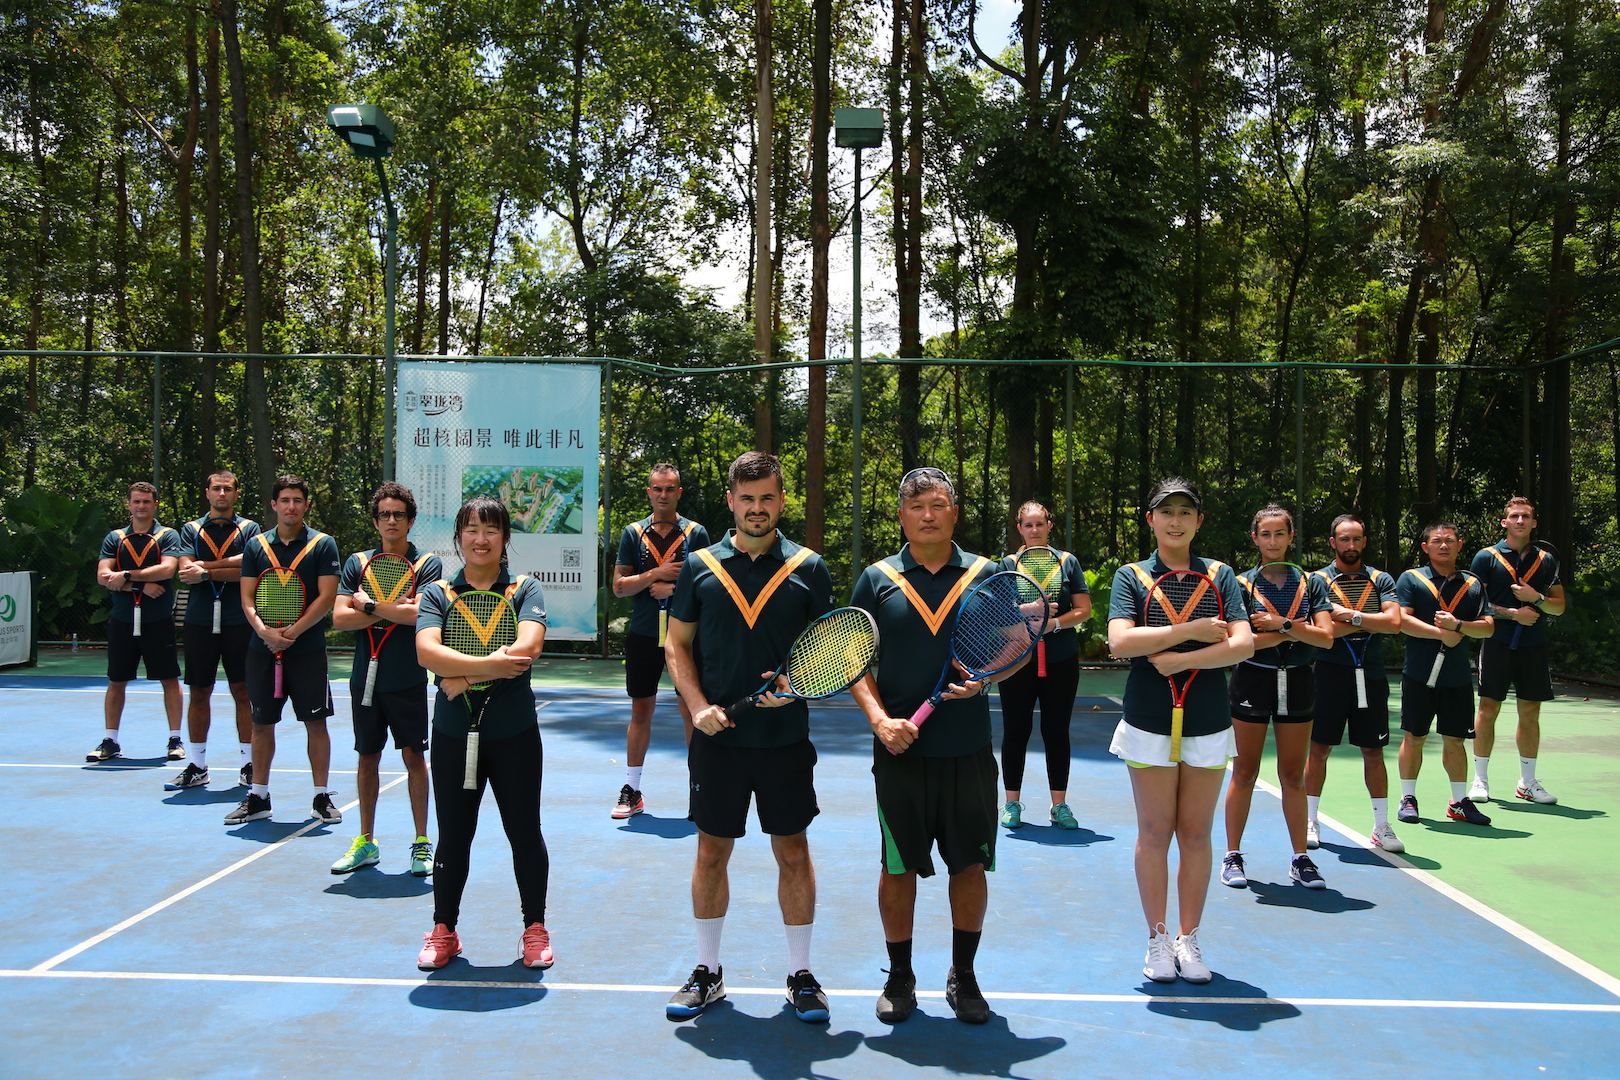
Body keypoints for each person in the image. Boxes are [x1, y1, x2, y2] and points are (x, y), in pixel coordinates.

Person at [662, 451, 837, 1023]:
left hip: (785, 740)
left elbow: (833, 647)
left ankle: (801, 974)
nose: (757, 508)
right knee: (711, 852)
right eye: (746, 498)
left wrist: (801, 686)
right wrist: (698, 705)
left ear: (781, 501)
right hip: (718, 743)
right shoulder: (698, 566)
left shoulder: (809, 567)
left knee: (793, 852)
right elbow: (676, 645)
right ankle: (708, 971)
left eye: (767, 498)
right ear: (730, 502)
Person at [850, 467, 1010, 1026]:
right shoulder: (876, 578)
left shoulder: (989, 574)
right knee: (897, 869)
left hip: (968, 750)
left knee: (969, 867)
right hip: (899, 754)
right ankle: (900, 976)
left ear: (953, 513)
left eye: (938, 504)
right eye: (917, 506)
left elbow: (1012, 640)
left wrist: (986, 676)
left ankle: (964, 978)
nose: (927, 514)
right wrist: (879, 721)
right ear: (901, 515)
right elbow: (852, 660)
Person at [1106, 478, 1252, 984]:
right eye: (1165, 511)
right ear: (1151, 519)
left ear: (1198, 522)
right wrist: (1188, 633)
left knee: (1195, 833)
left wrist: (1171, 663)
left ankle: (1189, 940)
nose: (1175, 520)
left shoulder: (1221, 575)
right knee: (1153, 832)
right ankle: (1158, 938)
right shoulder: (1130, 576)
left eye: (1185, 512)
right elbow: (1121, 642)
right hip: (1148, 718)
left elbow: (1244, 645)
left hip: (1208, 719)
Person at [414, 496, 552, 971]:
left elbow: (527, 649)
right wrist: (492, 665)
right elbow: (428, 654)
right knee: (453, 836)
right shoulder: (435, 593)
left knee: (524, 833)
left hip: (514, 735)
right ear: (458, 538)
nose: (480, 538)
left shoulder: (524, 589)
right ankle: (443, 929)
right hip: (454, 735)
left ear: (505, 538)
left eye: (491, 530)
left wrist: (465, 676)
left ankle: (534, 927)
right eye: (471, 529)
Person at [329, 482, 442, 876]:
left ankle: (422, 842)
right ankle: (366, 841)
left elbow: (421, 615)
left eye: (398, 514)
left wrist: (371, 605)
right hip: (364, 678)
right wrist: (394, 609)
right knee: (367, 757)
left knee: (414, 757)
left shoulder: (427, 563)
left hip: (406, 676)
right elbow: (340, 618)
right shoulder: (357, 561)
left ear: (410, 521)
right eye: (384, 515)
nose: (391, 521)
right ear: (376, 521)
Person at [1221, 505, 1335, 890]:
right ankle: (1232, 855)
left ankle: (1300, 859)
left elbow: (1326, 637)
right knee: (1245, 772)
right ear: (1255, 539)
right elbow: (1244, 643)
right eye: (1265, 535)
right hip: (1252, 681)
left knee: (1292, 775)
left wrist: (1282, 625)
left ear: (1291, 538)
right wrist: (1296, 631)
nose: (1272, 541)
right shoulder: (1239, 583)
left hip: (1299, 681)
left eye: (1279, 534)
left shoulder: (1312, 583)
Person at [225, 476, 342, 826]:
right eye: (285, 500)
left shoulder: (323, 545)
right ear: (274, 505)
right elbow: (247, 597)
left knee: (315, 722)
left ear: (306, 505)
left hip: (306, 651)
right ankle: (258, 796)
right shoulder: (256, 545)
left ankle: (321, 796)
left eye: (298, 500)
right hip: (261, 650)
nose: (291, 506)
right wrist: (263, 631)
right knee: (261, 723)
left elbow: (325, 598)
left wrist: (289, 633)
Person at [610, 464, 710, 818]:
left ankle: (700, 792)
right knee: (641, 712)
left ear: (679, 493)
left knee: (692, 711)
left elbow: (708, 587)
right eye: (657, 489)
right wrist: (656, 573)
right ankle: (632, 790)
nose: (663, 494)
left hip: (686, 637)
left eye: (670, 489)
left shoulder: (696, 533)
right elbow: (620, 586)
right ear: (649, 492)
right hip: (643, 635)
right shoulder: (633, 533)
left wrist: (673, 587)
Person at [1305, 514, 1406, 854]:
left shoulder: (1380, 579)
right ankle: (1310, 820)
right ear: (1332, 542)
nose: (1351, 545)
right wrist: (1368, 622)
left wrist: (1350, 616)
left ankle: (1381, 825)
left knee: (1373, 752)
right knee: (1318, 750)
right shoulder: (1317, 580)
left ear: (1364, 542)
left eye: (1356, 539)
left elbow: (1393, 623)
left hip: (1371, 676)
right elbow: (1323, 634)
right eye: (1344, 539)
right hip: (1328, 677)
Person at [995, 501, 1091, 829]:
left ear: (1050, 525)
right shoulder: (1007, 565)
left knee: (1056, 731)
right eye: (1028, 525)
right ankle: (1011, 803)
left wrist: (1052, 624)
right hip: (1017, 661)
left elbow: (1083, 610)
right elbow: (997, 616)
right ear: (1019, 529)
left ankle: (1059, 806)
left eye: (1040, 524)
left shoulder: (1068, 563)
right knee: (1016, 731)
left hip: (1061, 661)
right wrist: (1029, 610)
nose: (1034, 530)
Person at [1395, 522, 1495, 827]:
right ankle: (1408, 798)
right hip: (1419, 675)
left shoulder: (1472, 584)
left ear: (1459, 545)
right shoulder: (1411, 579)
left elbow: (1488, 626)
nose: (1443, 545)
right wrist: (1441, 634)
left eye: (1449, 541)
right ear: (1425, 547)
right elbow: (1401, 620)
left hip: (1456, 678)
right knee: (1415, 737)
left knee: (1455, 741)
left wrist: (1459, 627)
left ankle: (1458, 803)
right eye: (1436, 541)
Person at [1468, 497, 1567, 805]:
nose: (1520, 521)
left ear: (1534, 523)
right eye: (1514, 516)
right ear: (1505, 522)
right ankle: (1480, 780)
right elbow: (1474, 604)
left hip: (1533, 645)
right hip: (1497, 642)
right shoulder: (1487, 557)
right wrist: (1513, 613)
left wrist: (1536, 598)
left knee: (1530, 712)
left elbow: (1559, 607)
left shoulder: (1546, 560)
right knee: (1488, 710)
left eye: (1526, 516)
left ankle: (1527, 783)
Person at [168, 471, 260, 791]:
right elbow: (185, 572)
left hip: (239, 620)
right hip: (199, 620)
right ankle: (197, 765)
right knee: (199, 692)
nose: (222, 493)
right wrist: (221, 571)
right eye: (216, 488)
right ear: (207, 492)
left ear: (236, 493)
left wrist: (205, 571)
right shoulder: (190, 529)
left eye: (228, 488)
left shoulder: (249, 529)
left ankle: (249, 764)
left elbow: (250, 572)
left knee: (243, 693)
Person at [91, 482, 185, 763]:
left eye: (146, 501)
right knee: (116, 680)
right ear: (129, 505)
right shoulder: (115, 537)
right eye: (136, 502)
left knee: (169, 679)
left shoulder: (167, 535)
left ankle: (175, 739)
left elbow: (167, 570)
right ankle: (110, 740)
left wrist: (127, 575)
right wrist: (140, 587)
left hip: (157, 621)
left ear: (155, 504)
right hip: (122, 620)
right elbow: (103, 575)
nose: (141, 506)